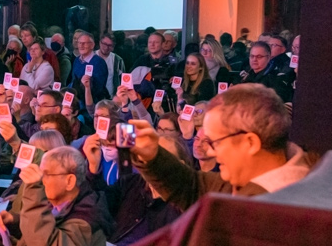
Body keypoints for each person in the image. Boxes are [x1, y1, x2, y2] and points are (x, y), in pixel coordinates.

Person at [129, 84, 312, 210]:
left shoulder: (284, 210)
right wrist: (153, 156)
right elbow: (191, 187)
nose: (209, 151)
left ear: (250, 143)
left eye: (216, 142)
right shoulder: (242, 181)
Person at [0, 146, 112, 246]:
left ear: (70, 181)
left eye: (46, 174)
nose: (41, 180)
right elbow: (45, 229)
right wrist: (15, 221)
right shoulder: (60, 205)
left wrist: (34, 192)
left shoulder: (87, 219)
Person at [71, 33, 109, 104]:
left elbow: (98, 88)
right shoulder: (76, 60)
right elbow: (73, 80)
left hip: (92, 103)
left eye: (84, 43)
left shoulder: (99, 62)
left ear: (92, 45)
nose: (81, 46)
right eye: (79, 43)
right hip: (77, 101)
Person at [97, 32, 125, 96]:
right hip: (94, 97)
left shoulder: (118, 60)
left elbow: (122, 80)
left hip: (111, 98)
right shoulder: (92, 57)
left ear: (113, 46)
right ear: (100, 43)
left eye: (109, 45)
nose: (106, 47)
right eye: (104, 44)